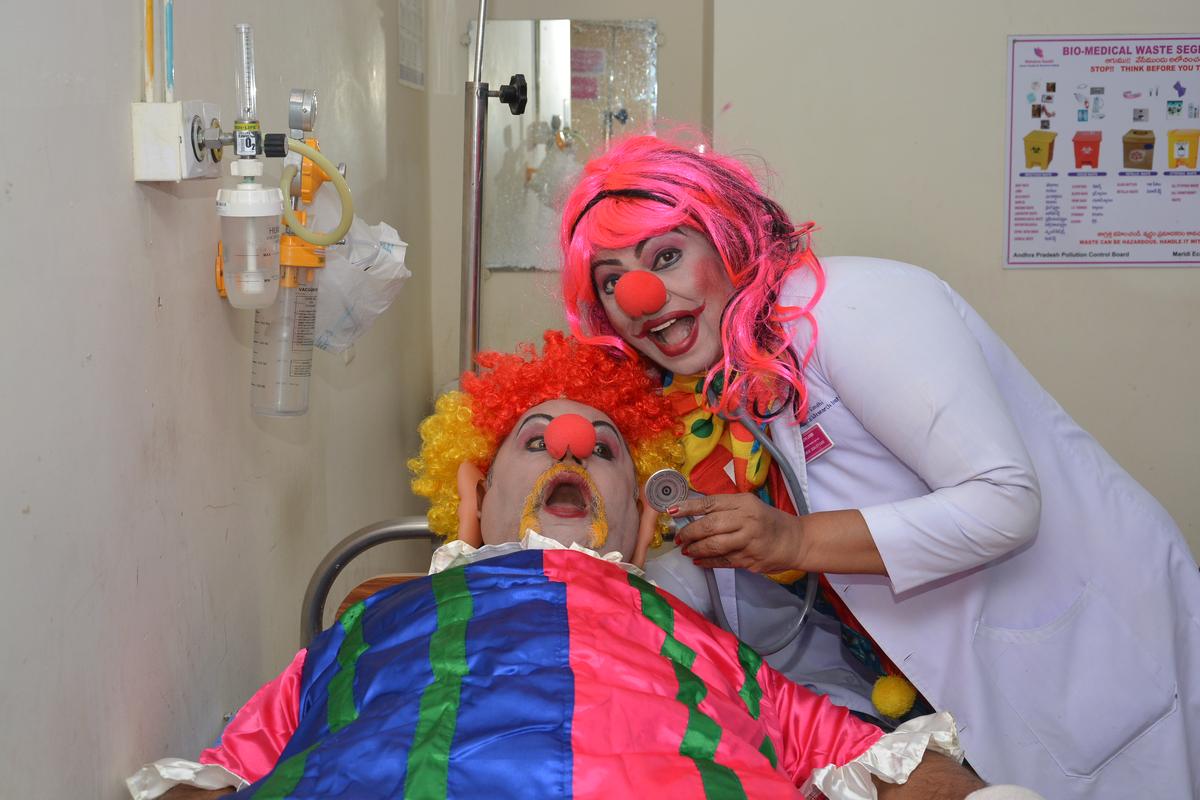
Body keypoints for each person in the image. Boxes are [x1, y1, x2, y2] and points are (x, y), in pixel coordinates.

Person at [558, 134, 1200, 798]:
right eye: (612, 284)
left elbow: (1005, 501)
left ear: (728, 241)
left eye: (667, 256)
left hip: (1092, 658)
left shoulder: (850, 305)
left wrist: (793, 539)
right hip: (977, 690)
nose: (640, 296)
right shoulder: (733, 387)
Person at [127, 333, 989, 800]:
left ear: (644, 513)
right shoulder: (370, 624)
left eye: (600, 447)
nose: (567, 448)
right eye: (532, 442)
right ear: (475, 495)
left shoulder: (702, 643)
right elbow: (223, 771)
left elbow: (899, 763)